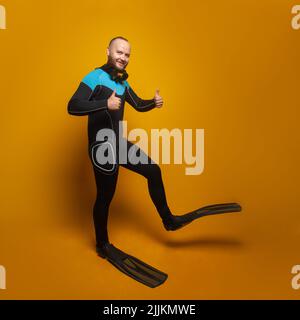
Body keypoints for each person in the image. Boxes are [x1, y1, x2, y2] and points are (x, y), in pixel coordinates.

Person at [67, 36, 242, 288]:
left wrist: (154, 102)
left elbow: (137, 105)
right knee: (106, 197)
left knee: (153, 170)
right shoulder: (94, 77)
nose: (123, 58)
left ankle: (169, 220)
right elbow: (72, 106)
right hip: (101, 148)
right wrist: (103, 103)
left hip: (118, 143)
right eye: (119, 52)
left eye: (127, 55)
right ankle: (103, 244)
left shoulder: (122, 81)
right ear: (108, 51)